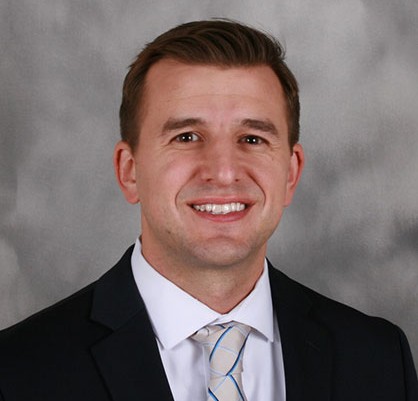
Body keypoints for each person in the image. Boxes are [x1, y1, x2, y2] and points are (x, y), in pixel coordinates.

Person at [0, 19, 416, 401]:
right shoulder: (17, 370)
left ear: (291, 173)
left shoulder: (378, 359)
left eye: (252, 139)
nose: (223, 171)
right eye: (186, 136)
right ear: (129, 171)